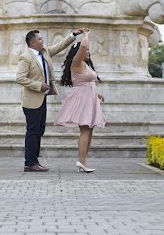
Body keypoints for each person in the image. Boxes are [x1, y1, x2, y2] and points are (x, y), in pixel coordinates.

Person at [15, 28, 82, 172]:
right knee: (32, 131)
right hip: (31, 101)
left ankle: (34, 161)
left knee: (39, 130)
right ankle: (30, 162)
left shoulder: (44, 52)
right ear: (32, 43)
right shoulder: (25, 57)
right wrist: (39, 85)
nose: (42, 41)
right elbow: (20, 78)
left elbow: (59, 46)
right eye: (40, 39)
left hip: (42, 99)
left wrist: (73, 35)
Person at [55, 30, 106, 173]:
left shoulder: (85, 64)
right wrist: (86, 35)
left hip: (89, 98)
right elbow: (82, 47)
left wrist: (97, 94)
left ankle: (83, 161)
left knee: (89, 130)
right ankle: (81, 161)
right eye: (87, 50)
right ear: (79, 52)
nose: (88, 52)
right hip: (82, 100)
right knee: (85, 130)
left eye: (89, 50)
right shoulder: (76, 63)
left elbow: (87, 83)